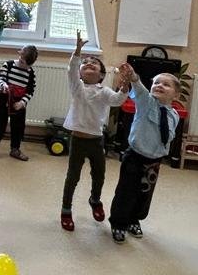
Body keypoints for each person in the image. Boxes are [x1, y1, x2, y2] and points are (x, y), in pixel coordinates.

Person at [107, 69, 181, 243]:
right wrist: (134, 77)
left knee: (144, 194)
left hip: (154, 161)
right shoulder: (146, 102)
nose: (159, 85)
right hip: (135, 157)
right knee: (126, 192)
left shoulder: (174, 115)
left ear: (176, 95)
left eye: (166, 84)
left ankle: (134, 219)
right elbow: (139, 90)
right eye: (156, 82)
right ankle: (118, 223)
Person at [60, 31, 124, 232]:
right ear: (80, 73)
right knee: (73, 177)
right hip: (77, 140)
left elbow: (118, 100)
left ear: (102, 75)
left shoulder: (104, 92)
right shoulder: (77, 87)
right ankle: (66, 210)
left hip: (96, 141)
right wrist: (78, 51)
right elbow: (71, 69)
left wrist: (124, 87)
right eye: (85, 63)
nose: (89, 64)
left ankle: (95, 200)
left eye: (94, 63)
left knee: (99, 175)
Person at [0, 44, 37, 163]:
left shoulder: (30, 73)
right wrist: (3, 85)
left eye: (27, 65)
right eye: (22, 62)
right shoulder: (8, 65)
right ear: (20, 54)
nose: (24, 66)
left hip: (19, 102)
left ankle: (15, 149)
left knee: (18, 126)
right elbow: (1, 78)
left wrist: (22, 103)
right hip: (5, 98)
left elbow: (30, 91)